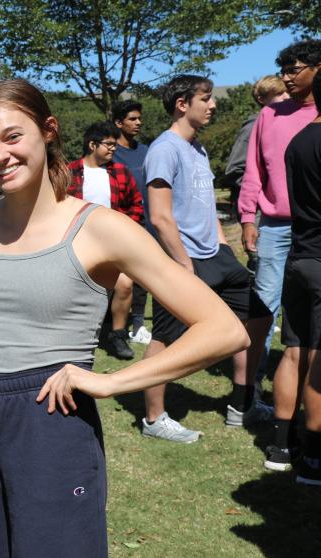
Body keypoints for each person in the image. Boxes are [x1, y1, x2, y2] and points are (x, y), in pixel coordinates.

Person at [0, 78, 246, 557]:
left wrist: (112, 381)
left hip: (51, 421)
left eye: (12, 137)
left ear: (48, 131)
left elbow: (223, 329)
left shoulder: (101, 228)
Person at [136, 74, 267, 442]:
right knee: (166, 338)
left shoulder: (197, 149)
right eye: (206, 99)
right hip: (182, 258)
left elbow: (205, 203)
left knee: (257, 316)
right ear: (183, 104)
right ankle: (153, 419)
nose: (213, 105)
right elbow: (160, 216)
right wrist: (183, 265)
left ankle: (242, 404)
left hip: (216, 255)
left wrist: (223, 245)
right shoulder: (164, 149)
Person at [236, 40, 321, 462]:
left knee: (306, 327)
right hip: (277, 226)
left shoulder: (317, 117)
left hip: (312, 228)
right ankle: (245, 394)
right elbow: (254, 170)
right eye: (283, 68)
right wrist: (248, 217)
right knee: (264, 309)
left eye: (296, 68)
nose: (288, 75)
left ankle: (304, 412)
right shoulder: (269, 114)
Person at [67, 121, 144, 359]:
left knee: (124, 285)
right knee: (77, 289)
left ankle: (117, 336)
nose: (113, 148)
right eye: (109, 144)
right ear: (92, 144)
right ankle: (75, 336)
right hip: (78, 243)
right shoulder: (69, 172)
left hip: (114, 243)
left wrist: (122, 228)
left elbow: (136, 204)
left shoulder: (120, 172)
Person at [280, 67, 321, 483]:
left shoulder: (299, 141)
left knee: (295, 350)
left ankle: (282, 443)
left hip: (300, 257)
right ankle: (313, 458)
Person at [111, 99, 154, 344]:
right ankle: (112, 324)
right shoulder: (110, 153)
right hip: (121, 225)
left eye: (139, 118)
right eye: (132, 119)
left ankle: (138, 324)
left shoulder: (146, 151)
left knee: (142, 277)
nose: (138, 123)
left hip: (147, 223)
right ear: (119, 123)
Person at [222, 75, 288, 200]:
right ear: (261, 99)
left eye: (286, 92)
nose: (286, 96)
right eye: (279, 93)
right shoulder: (253, 126)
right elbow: (235, 169)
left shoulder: (286, 123)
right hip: (259, 210)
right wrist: (262, 195)